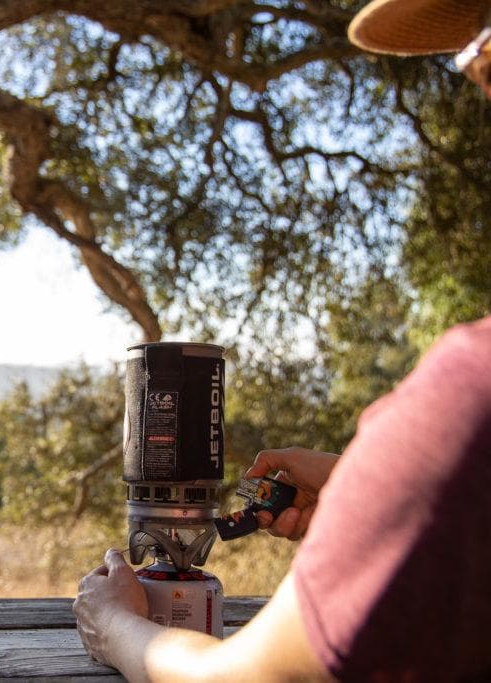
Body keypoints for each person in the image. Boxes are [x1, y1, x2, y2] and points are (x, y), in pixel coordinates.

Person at [72, 0, 491, 680]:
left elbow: (251, 678)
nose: (478, 85)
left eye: (485, 53)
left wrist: (118, 625)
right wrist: (381, 489)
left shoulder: (473, 395)